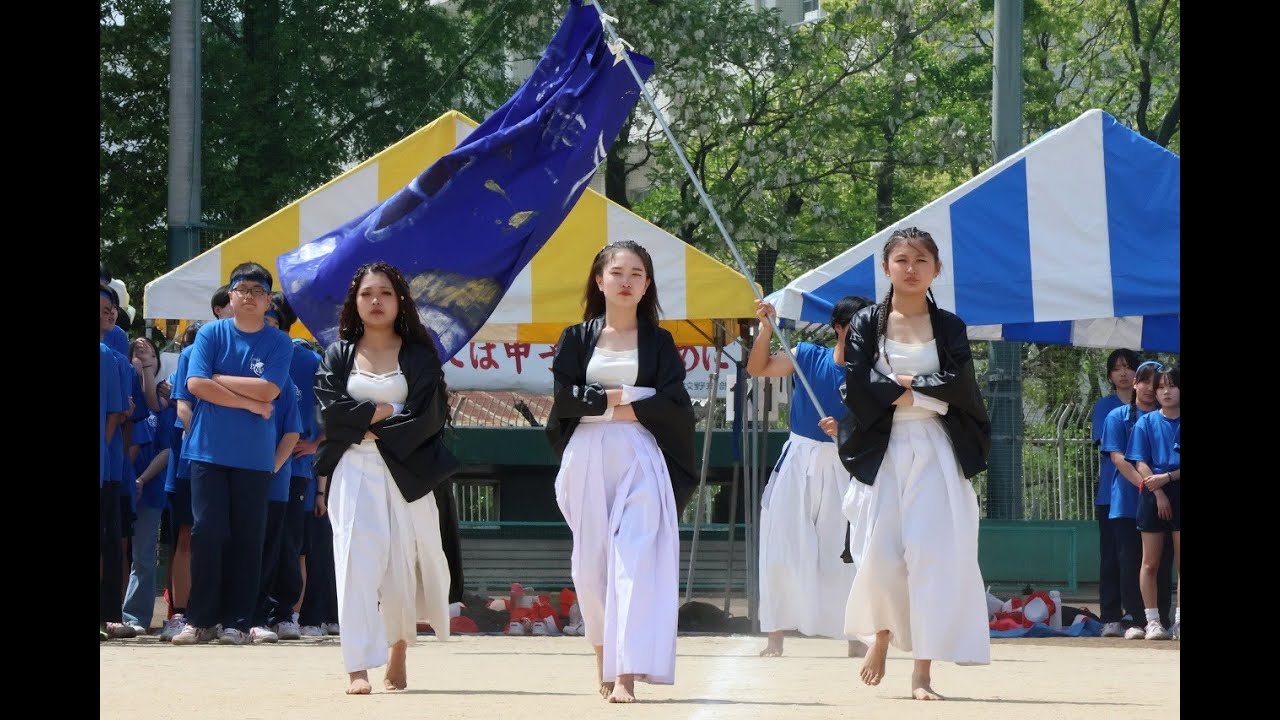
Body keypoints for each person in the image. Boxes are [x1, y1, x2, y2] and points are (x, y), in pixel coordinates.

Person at [837, 227, 992, 701]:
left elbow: (960, 381)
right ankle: (881, 635)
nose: (910, 268)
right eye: (901, 259)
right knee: (880, 556)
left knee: (930, 555)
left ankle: (922, 671)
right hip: (883, 447)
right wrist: (909, 389)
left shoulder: (949, 326)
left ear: (936, 270)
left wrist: (909, 388)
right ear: (886, 268)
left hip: (934, 444)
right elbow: (857, 380)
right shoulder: (866, 322)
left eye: (921, 260)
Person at [545, 240, 697, 703]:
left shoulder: (660, 341)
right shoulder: (576, 338)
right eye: (617, 272)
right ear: (599, 280)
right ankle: (602, 661)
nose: (626, 280)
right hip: (587, 457)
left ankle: (627, 672)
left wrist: (605, 406)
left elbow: (672, 404)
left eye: (637, 273)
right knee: (591, 567)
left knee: (634, 558)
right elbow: (566, 402)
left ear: (647, 284)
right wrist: (624, 399)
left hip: (641, 455)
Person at [313, 261, 455, 695]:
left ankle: (398, 646)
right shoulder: (338, 353)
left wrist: (372, 422)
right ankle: (356, 665)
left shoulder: (419, 355)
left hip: (408, 470)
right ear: (354, 303)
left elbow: (428, 415)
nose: (376, 301)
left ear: (400, 302)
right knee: (354, 563)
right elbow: (329, 415)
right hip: (353, 469)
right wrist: (387, 411)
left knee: (402, 566)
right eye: (366, 294)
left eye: (385, 293)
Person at [172, 262, 294, 646]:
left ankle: (239, 621)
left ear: (268, 300)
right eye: (242, 289)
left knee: (248, 537)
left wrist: (219, 379)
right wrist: (249, 403)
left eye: (258, 291)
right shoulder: (211, 332)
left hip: (254, 457)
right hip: (208, 450)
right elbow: (195, 384)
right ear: (229, 295)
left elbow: (270, 390)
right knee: (207, 533)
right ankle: (200, 618)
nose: (249, 297)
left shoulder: (279, 342)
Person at [748, 296, 872, 658]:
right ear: (839, 327)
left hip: (844, 463)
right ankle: (775, 635)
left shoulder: (872, 373)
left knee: (843, 549)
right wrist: (766, 330)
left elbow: (882, 419)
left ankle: (853, 636)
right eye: (857, 327)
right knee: (781, 543)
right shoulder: (806, 356)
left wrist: (847, 427)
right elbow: (759, 368)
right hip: (799, 458)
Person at [1101, 360, 1174, 640]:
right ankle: (1134, 618)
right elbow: (1119, 458)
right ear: (1135, 384)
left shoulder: (1167, 418)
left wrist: (1162, 489)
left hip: (1167, 500)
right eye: (1143, 381)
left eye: (1154, 383)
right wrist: (1149, 488)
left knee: (1163, 561)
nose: (1147, 388)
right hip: (1130, 502)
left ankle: (1162, 617)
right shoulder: (1117, 417)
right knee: (1130, 560)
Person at [1128, 365, 1180, 641]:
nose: (1166, 391)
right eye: (1161, 387)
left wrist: (1169, 477)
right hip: (1153, 494)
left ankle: (1179, 622)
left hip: (1176, 487)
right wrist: (1158, 491)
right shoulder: (1146, 423)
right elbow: (1140, 461)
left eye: (1172, 385)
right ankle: (1152, 621)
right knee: (1150, 562)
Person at [1091, 349, 1137, 637]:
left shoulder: (1150, 404)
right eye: (1117, 369)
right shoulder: (1104, 407)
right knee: (1111, 556)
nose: (1123, 373)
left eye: (1128, 367)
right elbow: (1110, 449)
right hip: (1111, 494)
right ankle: (1110, 615)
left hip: (1145, 492)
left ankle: (1140, 614)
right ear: (1109, 375)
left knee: (1140, 557)